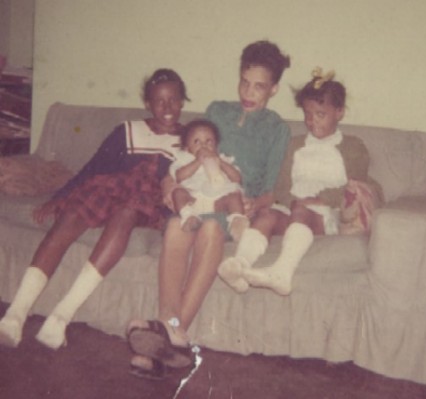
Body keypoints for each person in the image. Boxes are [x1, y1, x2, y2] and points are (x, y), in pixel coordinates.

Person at [126, 40, 291, 373]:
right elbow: (188, 151)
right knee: (174, 224)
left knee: (212, 227)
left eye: (259, 86)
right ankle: (173, 339)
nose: (249, 91)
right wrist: (169, 184)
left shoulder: (277, 129)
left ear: (273, 89)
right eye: (244, 82)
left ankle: (163, 335)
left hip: (232, 210)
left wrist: (251, 202)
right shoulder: (218, 111)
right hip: (194, 199)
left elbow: (270, 192)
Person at [0, 68, 188, 351]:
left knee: (127, 212)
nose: (167, 107)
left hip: (146, 198)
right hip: (109, 187)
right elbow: (93, 168)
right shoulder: (127, 130)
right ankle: (15, 315)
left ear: (183, 101)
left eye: (174, 99)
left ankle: (61, 317)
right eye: (159, 100)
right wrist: (59, 197)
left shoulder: (191, 139)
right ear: (148, 103)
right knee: (69, 217)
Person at [219, 67, 383, 296]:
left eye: (320, 114)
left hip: (327, 213)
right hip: (291, 207)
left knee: (303, 212)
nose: (311, 121)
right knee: (266, 214)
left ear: (339, 112)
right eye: (307, 114)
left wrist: (318, 199)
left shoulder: (353, 146)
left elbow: (355, 186)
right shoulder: (295, 144)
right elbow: (281, 185)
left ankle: (282, 273)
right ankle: (240, 265)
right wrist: (292, 201)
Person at [170, 118, 248, 241]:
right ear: (186, 147)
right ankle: (189, 217)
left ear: (216, 145)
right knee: (178, 193)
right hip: (193, 200)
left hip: (219, 202)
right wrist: (197, 161)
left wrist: (220, 161)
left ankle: (237, 221)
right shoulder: (183, 160)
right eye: (197, 141)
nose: (204, 145)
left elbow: (237, 179)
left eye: (209, 141)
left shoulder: (223, 159)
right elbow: (179, 177)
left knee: (234, 196)